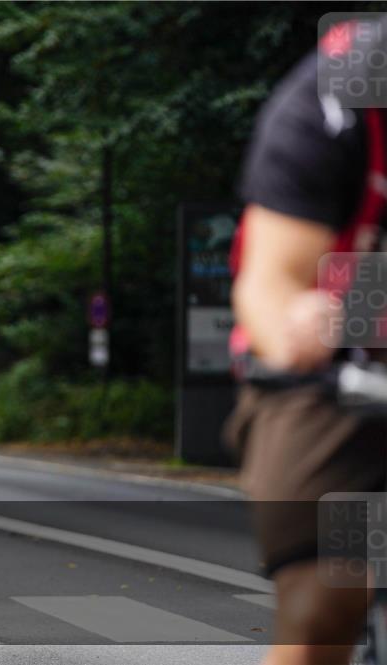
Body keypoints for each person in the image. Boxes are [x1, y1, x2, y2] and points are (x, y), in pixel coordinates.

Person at [225, 19, 386, 665]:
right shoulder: (339, 96)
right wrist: (293, 326)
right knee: (328, 595)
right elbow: (271, 281)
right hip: (338, 367)